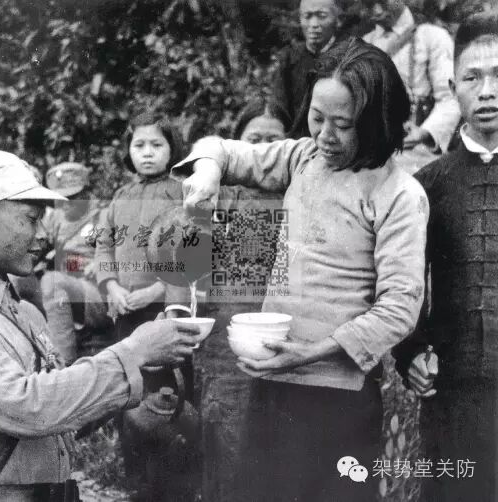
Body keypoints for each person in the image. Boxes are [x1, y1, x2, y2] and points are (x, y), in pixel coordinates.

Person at [173, 38, 428, 502]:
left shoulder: (398, 195)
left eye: (343, 124)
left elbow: (399, 308)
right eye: (316, 117)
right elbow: (222, 149)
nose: (325, 135)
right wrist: (208, 172)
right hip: (272, 382)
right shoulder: (302, 158)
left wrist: (308, 353)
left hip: (340, 395)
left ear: (377, 121)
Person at [0, 149, 199, 502]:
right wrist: (134, 353)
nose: (43, 234)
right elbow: (31, 408)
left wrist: (144, 367)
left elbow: (62, 419)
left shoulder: (25, 313)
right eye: (31, 218)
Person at [392, 12, 498, 501]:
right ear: (453, 89)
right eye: (473, 78)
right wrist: (411, 353)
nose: (488, 92)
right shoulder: (427, 184)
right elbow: (402, 283)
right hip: (453, 394)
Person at [193, 98, 285, 502]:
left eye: (273, 140)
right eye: (254, 138)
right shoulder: (218, 195)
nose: (262, 148)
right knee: (228, 433)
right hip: (227, 337)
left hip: (288, 332)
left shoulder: (301, 193)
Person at [95, 110, 185, 342]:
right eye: (139, 145)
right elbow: (104, 245)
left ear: (171, 149)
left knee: (167, 355)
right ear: (129, 150)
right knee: (129, 357)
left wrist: (157, 290)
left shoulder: (181, 193)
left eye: (156, 145)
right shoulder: (121, 196)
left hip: (168, 301)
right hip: (126, 303)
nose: (147, 153)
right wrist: (112, 286)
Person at [363, 0, 460, 174]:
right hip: (373, 160)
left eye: (383, 2)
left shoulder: (432, 38)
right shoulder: (363, 45)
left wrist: (424, 133)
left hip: (421, 158)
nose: (377, 11)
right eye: (369, 3)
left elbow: (451, 98)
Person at [40, 161, 113, 366]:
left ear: (86, 192)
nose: (66, 204)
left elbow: (129, 258)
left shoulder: (105, 216)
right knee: (19, 280)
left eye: (72, 197)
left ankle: (64, 367)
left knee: (52, 282)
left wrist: (102, 264)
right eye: (60, 199)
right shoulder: (56, 218)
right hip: (62, 290)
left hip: (97, 294)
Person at [272, 0, 345, 138]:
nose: (314, 24)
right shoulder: (289, 58)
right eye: (307, 16)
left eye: (322, 16)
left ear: (338, 20)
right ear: (300, 19)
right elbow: (279, 108)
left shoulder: (349, 56)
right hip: (296, 141)